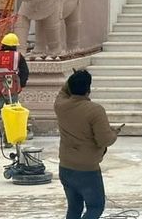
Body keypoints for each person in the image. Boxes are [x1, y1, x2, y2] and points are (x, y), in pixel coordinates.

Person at [54, 69, 120, 219]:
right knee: (95, 207)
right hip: (87, 170)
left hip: (65, 167)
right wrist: (114, 133)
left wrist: (74, 78)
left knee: (74, 208)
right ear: (88, 89)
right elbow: (105, 140)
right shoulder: (95, 110)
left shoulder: (60, 105)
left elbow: (63, 91)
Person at [0, 33, 29, 147]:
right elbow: (25, 72)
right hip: (12, 90)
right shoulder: (18, 56)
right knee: (11, 116)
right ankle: (8, 141)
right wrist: (22, 85)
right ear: (15, 46)